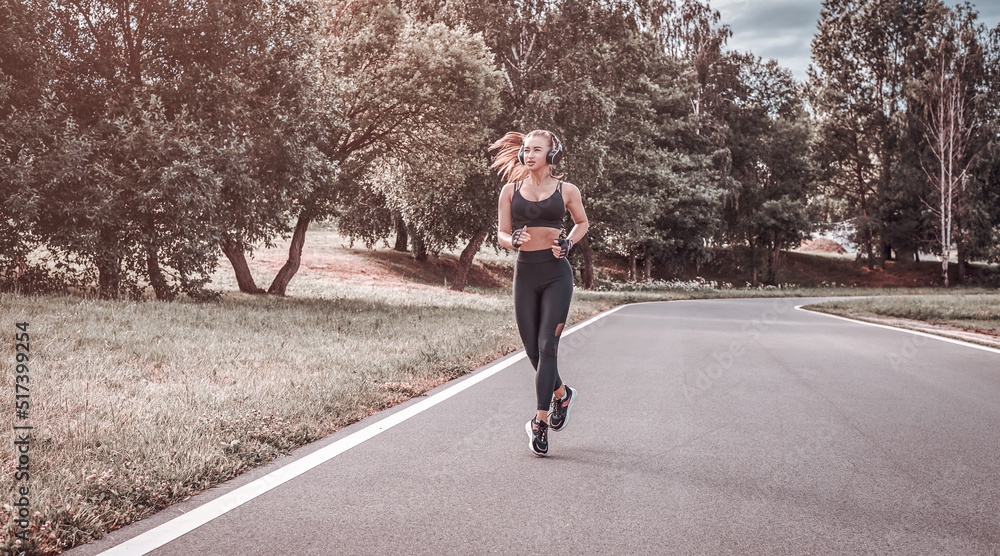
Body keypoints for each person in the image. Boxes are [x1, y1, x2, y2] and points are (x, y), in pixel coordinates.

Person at [489, 129, 590, 457]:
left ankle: (540, 422)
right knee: (533, 349)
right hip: (526, 273)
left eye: (537, 150)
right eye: (526, 150)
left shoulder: (566, 190)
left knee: (548, 346)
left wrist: (569, 243)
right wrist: (511, 240)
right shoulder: (510, 190)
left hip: (556, 275)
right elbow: (502, 233)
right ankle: (562, 394)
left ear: (552, 154)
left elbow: (582, 223)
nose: (530, 155)